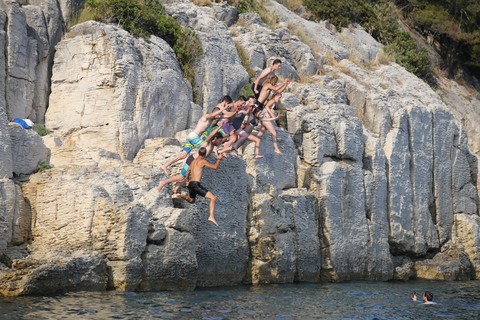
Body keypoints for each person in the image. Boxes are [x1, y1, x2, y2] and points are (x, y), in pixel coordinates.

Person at [160, 96, 234, 175]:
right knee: (206, 148)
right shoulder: (206, 116)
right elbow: (213, 114)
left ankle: (165, 165)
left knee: (183, 155)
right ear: (215, 113)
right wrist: (223, 108)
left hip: (191, 137)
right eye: (219, 115)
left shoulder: (212, 119)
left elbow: (227, 116)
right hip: (194, 136)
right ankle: (197, 167)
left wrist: (237, 111)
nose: (220, 117)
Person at [158, 126, 224, 194]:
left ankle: (179, 184)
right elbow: (211, 135)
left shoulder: (213, 146)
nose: (221, 143)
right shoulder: (208, 143)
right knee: (181, 177)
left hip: (198, 163)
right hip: (192, 160)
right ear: (215, 138)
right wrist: (219, 127)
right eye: (220, 141)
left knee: (195, 179)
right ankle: (163, 182)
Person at [172, 147, 223, 227]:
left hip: (191, 184)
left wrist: (187, 181)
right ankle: (211, 216)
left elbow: (188, 171)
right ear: (205, 154)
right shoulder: (203, 161)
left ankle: (179, 195)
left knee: (192, 200)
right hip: (196, 185)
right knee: (213, 198)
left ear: (198, 153)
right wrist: (219, 159)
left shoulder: (193, 161)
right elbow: (215, 167)